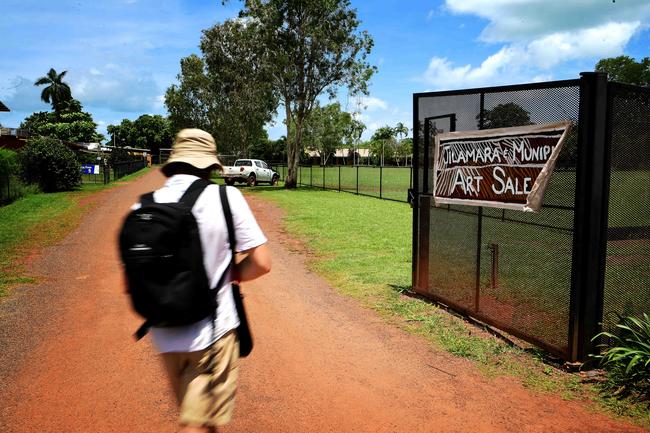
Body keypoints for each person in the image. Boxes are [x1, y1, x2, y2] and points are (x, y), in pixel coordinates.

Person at [130, 128, 271, 433]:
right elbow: (261, 263)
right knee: (198, 426)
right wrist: (230, 273)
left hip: (165, 335)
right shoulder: (226, 197)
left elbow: (132, 279)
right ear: (210, 165)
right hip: (212, 331)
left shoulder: (143, 206)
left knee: (198, 420)